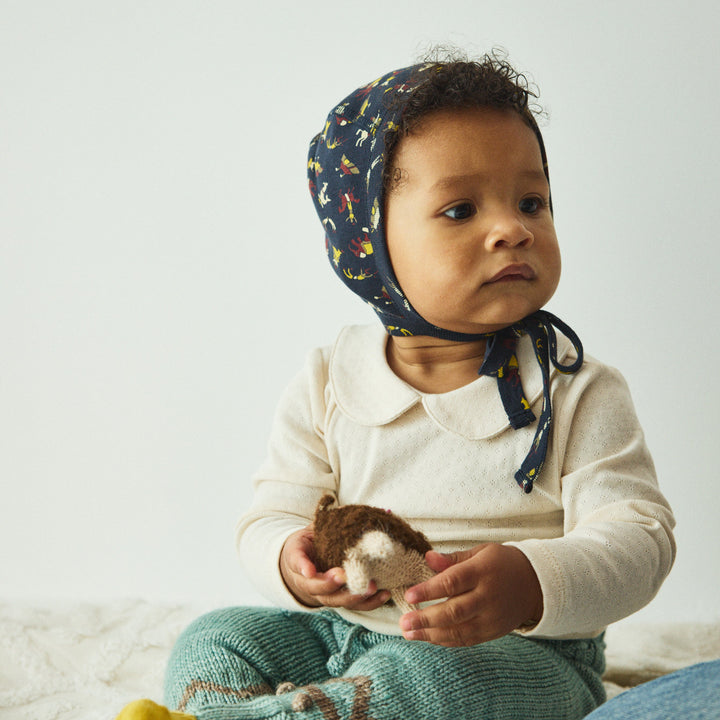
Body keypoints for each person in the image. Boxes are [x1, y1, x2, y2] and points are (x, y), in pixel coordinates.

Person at [116, 52, 676, 720]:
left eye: (533, 201)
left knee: (423, 681)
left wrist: (532, 584)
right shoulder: (329, 380)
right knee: (215, 639)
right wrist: (292, 563)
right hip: (345, 632)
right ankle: (303, 708)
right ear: (369, 247)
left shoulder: (575, 388)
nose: (514, 228)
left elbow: (639, 538)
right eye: (461, 208)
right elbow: (272, 515)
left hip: (522, 656)